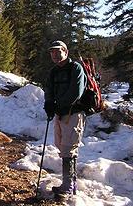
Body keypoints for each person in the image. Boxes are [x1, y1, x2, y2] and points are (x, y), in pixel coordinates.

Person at [44, 40, 87, 196]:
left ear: (65, 52)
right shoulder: (53, 72)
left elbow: (76, 93)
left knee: (69, 148)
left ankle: (68, 186)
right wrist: (49, 103)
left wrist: (58, 105)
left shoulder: (76, 68)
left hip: (74, 113)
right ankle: (69, 184)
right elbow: (48, 89)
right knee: (62, 146)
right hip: (61, 114)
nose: (55, 55)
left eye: (58, 51)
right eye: (52, 52)